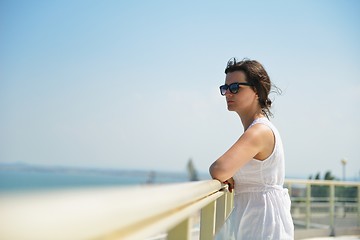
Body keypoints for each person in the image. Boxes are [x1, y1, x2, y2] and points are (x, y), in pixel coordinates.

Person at [210, 58, 294, 239]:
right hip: (256, 216)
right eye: (225, 88)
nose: (228, 94)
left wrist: (228, 173)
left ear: (256, 90)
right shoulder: (258, 128)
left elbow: (218, 169)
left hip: (262, 222)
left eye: (235, 88)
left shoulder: (259, 131)